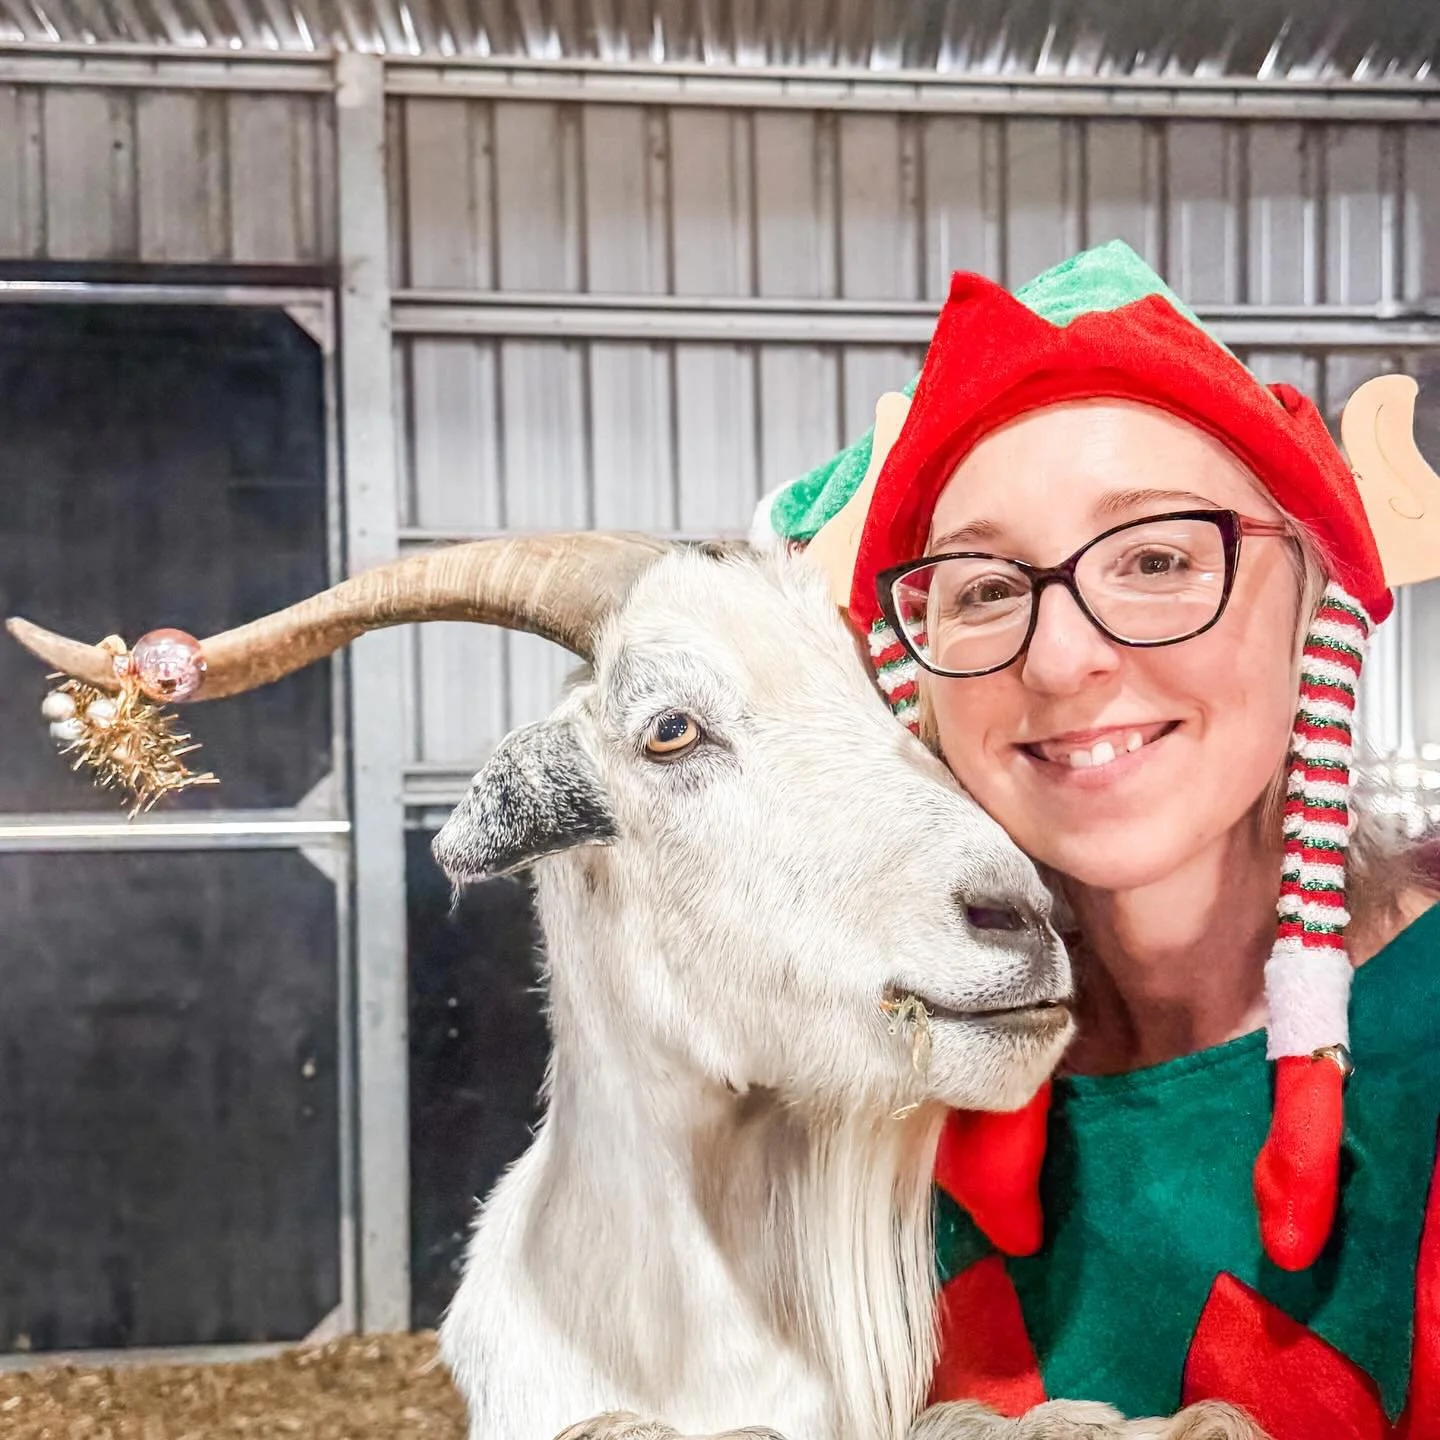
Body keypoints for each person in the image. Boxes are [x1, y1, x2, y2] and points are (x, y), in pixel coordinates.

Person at [753, 241, 1440, 1438]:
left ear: (1312, 610)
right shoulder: (863, 1105)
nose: (1063, 658)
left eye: (1160, 559)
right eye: (980, 587)